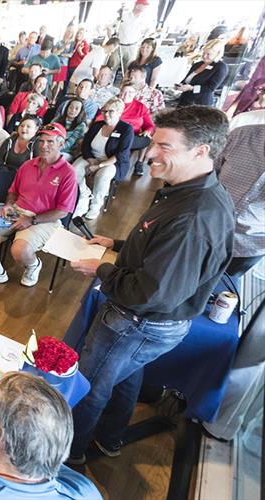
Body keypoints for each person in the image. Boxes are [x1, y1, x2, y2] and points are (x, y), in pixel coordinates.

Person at [67, 106, 235, 464]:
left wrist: (103, 270)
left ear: (200, 150)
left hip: (137, 320)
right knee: (126, 376)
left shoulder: (193, 217)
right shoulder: (186, 193)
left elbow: (149, 292)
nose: (151, 153)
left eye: (165, 146)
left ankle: (71, 455)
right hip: (145, 326)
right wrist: (117, 244)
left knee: (89, 387)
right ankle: (110, 438)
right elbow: (160, 252)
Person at [0, 123, 76, 287]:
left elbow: (63, 211)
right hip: (18, 210)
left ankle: (34, 265)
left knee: (19, 251)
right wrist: (9, 204)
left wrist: (32, 220)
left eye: (50, 142)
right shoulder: (28, 165)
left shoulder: (68, 173)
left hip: (45, 220)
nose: (43, 146)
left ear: (61, 143)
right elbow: (13, 192)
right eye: (41, 141)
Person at [217, 109, 265, 277]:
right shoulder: (242, 129)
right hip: (207, 228)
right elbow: (207, 172)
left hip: (251, 244)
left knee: (219, 294)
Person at [72, 98, 133, 219]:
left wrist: (99, 166)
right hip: (92, 157)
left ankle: (96, 205)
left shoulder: (126, 129)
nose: (106, 114)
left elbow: (122, 153)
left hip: (113, 162)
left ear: (119, 112)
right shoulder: (96, 126)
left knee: (103, 175)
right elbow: (85, 145)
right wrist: (90, 160)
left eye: (111, 111)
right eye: (104, 111)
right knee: (74, 171)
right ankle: (84, 195)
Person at [176, 39, 229, 107]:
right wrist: (180, 85)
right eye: (204, 53)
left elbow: (210, 88)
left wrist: (192, 88)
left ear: (217, 54)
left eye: (208, 54)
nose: (204, 56)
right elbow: (187, 80)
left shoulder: (220, 67)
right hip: (185, 100)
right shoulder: (198, 64)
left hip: (200, 103)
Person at [116, 0, 150, 71]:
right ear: (137, 5)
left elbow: (146, 32)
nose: (145, 7)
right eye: (143, 5)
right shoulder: (124, 16)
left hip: (132, 47)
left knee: (129, 69)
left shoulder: (144, 20)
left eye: (145, 6)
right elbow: (112, 27)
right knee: (113, 66)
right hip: (119, 46)